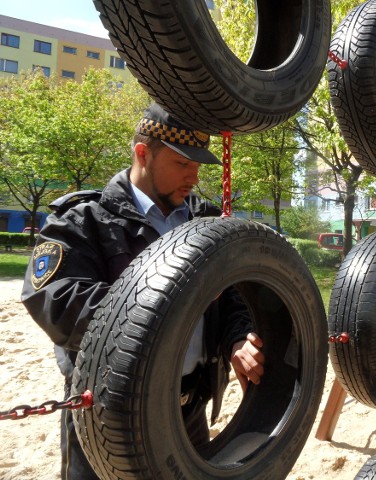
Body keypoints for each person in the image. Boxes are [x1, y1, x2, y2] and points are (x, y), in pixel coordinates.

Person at [21, 103, 265, 480]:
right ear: (142, 153)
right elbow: (56, 301)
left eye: (198, 166)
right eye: (183, 163)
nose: (193, 176)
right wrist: (168, 307)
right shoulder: (83, 220)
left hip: (190, 405)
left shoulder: (206, 220)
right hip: (108, 409)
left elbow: (232, 294)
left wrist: (237, 339)